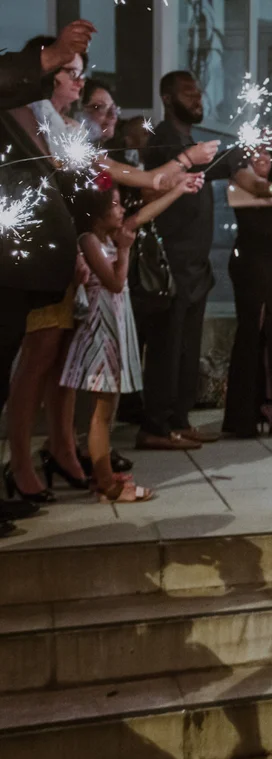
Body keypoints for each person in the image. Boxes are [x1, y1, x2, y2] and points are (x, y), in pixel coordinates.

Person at [0, 22, 94, 533]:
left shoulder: (31, 117)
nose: (70, 78)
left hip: (22, 270)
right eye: (62, 71)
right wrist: (53, 52)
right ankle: (19, 467)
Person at [61, 170, 202, 501]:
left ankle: (103, 473)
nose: (122, 209)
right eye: (115, 204)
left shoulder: (110, 237)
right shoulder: (90, 241)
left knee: (106, 412)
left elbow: (145, 214)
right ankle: (108, 484)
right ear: (97, 211)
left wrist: (179, 188)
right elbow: (114, 282)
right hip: (100, 335)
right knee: (101, 413)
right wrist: (125, 252)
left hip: (114, 332)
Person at [137, 71, 233, 451]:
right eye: (187, 92)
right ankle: (156, 426)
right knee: (167, 348)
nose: (197, 97)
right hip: (171, 264)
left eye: (198, 91)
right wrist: (221, 158)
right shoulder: (164, 142)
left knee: (186, 349)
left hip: (195, 265)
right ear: (166, 96)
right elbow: (165, 182)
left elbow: (205, 171)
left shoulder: (188, 142)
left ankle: (178, 418)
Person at [222, 148, 272, 438]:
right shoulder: (242, 185)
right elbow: (258, 189)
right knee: (250, 332)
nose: (262, 161)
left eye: (267, 157)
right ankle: (245, 411)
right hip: (249, 261)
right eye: (256, 157)